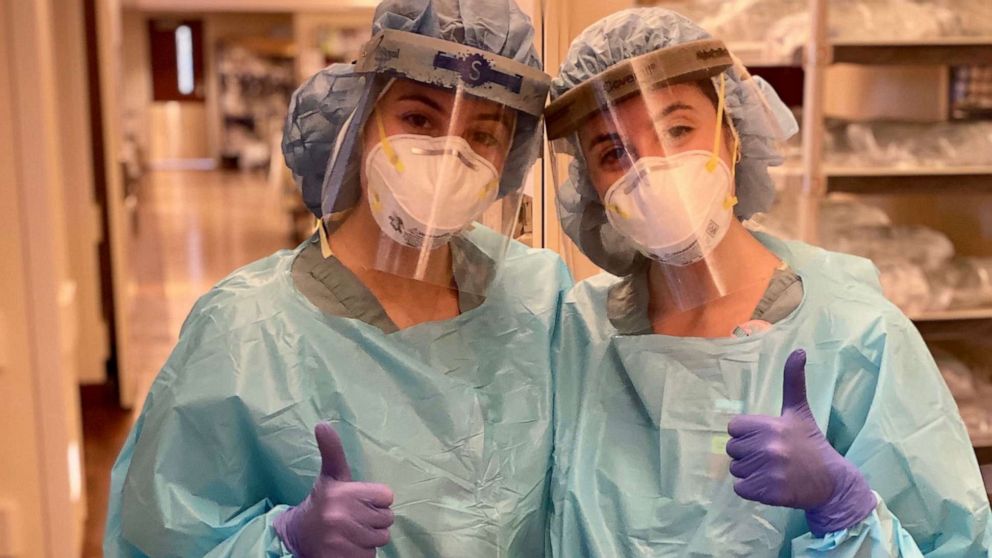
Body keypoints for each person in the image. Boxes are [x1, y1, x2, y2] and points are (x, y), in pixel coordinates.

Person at [104, 1, 569, 556]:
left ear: (509, 158)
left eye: (484, 135)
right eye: (418, 119)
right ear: (361, 119)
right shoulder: (245, 333)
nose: (450, 156)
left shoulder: (538, 298)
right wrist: (285, 542)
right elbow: (163, 539)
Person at [544, 8, 992, 557]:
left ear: (733, 134)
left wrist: (844, 511)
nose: (652, 169)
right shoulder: (577, 337)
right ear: (592, 186)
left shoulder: (851, 332)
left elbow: (954, 546)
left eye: (678, 129)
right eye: (614, 152)